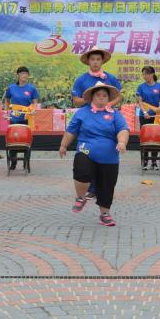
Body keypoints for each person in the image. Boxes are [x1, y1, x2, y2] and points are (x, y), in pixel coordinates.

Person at [59, 82, 129, 227]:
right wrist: (63, 145)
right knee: (81, 170)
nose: (101, 98)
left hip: (110, 157)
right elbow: (71, 131)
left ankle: (105, 214)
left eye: (105, 95)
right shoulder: (82, 113)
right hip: (86, 150)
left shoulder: (115, 114)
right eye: (98, 95)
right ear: (92, 97)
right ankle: (80, 197)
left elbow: (123, 130)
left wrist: (122, 142)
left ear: (109, 98)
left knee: (107, 186)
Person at [72, 47, 123, 199]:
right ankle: (90, 186)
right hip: (88, 119)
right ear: (88, 61)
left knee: (105, 149)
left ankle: (100, 187)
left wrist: (108, 105)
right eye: (92, 59)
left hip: (107, 119)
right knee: (87, 150)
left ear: (102, 61)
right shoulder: (81, 80)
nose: (95, 62)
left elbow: (119, 96)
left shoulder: (110, 78)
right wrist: (90, 100)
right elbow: (76, 101)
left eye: (98, 59)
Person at [4, 66, 39, 170]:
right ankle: (13, 162)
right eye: (22, 73)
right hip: (14, 117)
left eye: (26, 73)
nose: (25, 75)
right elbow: (7, 99)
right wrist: (6, 111)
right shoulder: (11, 88)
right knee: (13, 139)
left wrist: (34, 109)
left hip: (27, 117)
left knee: (26, 141)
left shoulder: (31, 88)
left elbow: (35, 101)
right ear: (18, 75)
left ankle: (26, 162)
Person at [136, 66, 160, 171]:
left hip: (156, 117)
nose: (144, 76)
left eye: (146, 74)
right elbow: (139, 102)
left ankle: (154, 161)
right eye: (143, 74)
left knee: (155, 138)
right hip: (144, 116)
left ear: (152, 74)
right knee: (145, 138)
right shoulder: (141, 87)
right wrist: (144, 112)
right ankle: (145, 161)